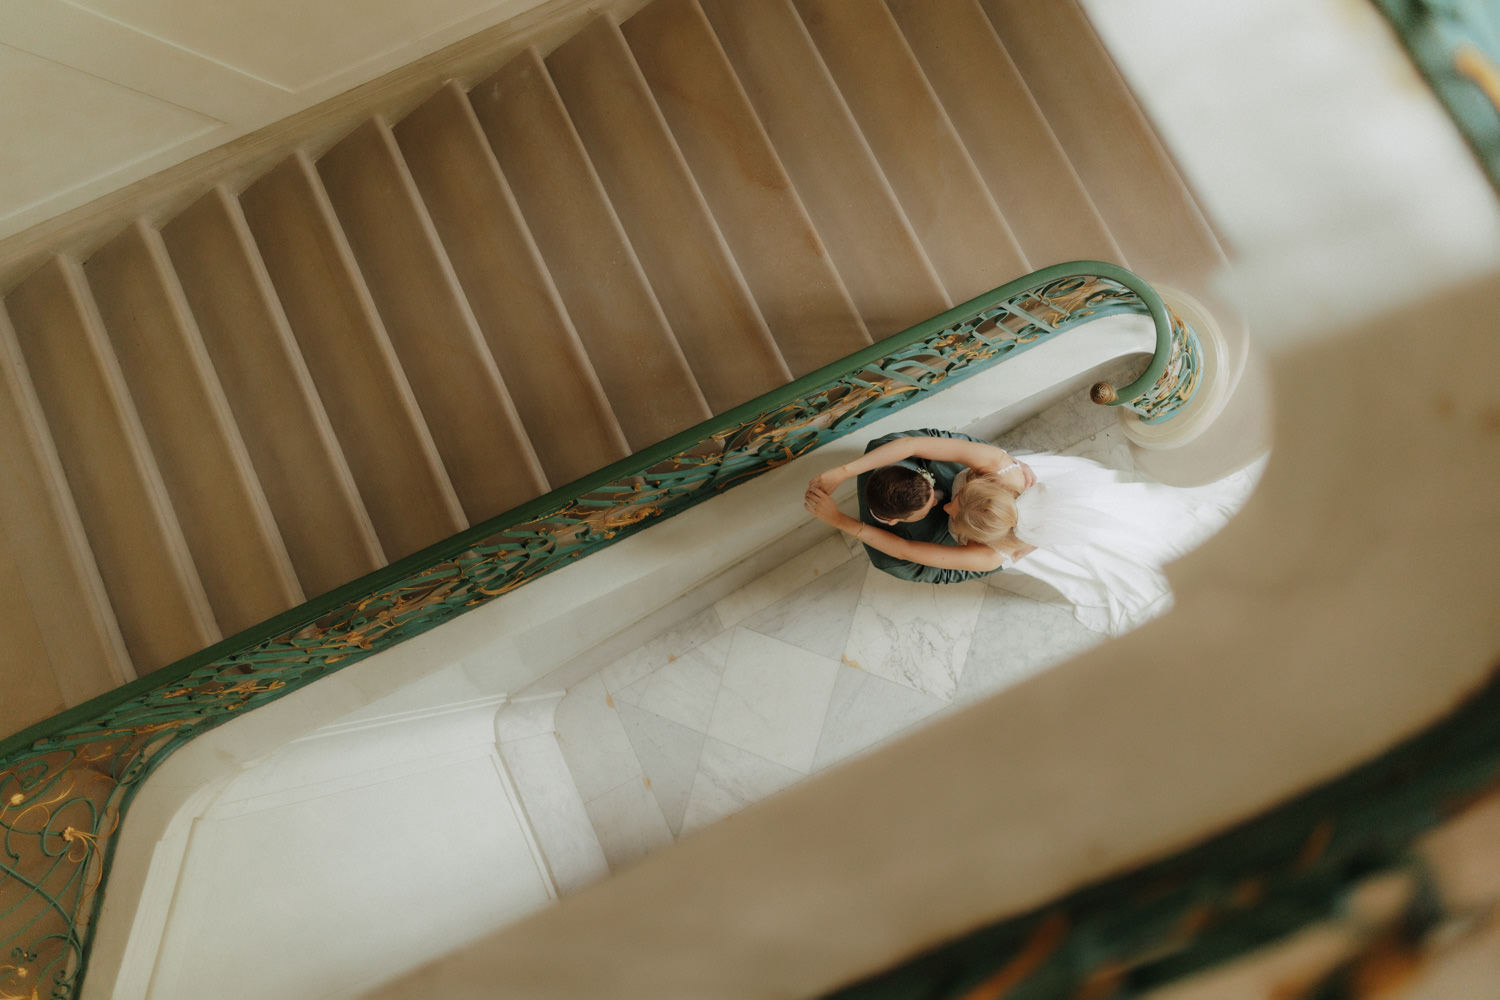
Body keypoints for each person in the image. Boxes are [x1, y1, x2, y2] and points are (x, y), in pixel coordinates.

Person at [804, 429, 1261, 635]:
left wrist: (841, 521)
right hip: (1060, 494)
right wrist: (842, 472)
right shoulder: (999, 469)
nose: (946, 500)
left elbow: (911, 551)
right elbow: (917, 445)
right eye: (954, 498)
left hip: (1049, 509)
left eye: (951, 507)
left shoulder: (990, 554)